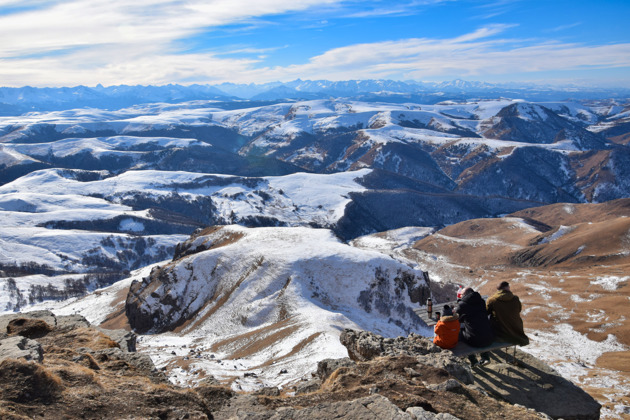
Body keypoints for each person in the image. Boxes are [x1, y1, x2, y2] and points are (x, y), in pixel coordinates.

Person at [455, 287, 494, 365]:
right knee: (479, 328)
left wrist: (457, 307)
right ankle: (485, 357)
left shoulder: (463, 304)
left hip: (474, 341)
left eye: (462, 295)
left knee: (460, 333)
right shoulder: (482, 301)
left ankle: (473, 360)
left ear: (465, 295)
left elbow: (456, 316)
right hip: (489, 338)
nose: (461, 296)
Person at [486, 281, 529, 346]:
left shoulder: (492, 300)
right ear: (507, 288)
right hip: (516, 329)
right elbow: (519, 310)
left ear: (498, 290)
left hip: (501, 330)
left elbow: (487, 312)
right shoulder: (515, 298)